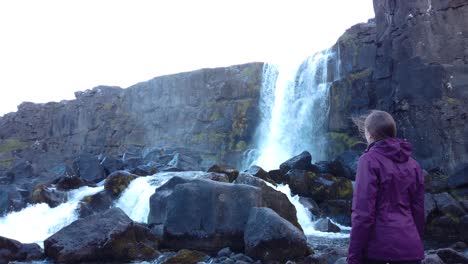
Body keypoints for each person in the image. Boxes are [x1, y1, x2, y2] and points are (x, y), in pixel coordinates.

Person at [347, 110, 425, 264]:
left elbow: (363, 213)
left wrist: (353, 257)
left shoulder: (369, 160)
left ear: (369, 134)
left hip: (380, 253)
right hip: (411, 250)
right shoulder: (414, 165)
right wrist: (414, 242)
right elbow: (419, 211)